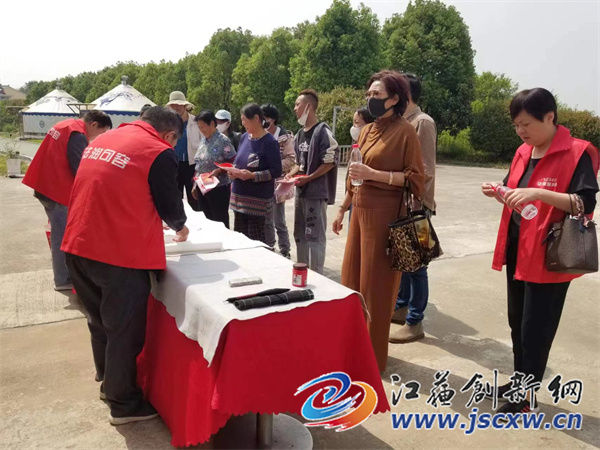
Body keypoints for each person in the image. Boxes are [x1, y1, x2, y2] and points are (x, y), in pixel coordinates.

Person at [61, 106, 189, 426]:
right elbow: (169, 203)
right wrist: (181, 226)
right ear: (169, 135)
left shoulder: (105, 139)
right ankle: (123, 403)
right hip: (117, 254)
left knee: (99, 320)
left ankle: (108, 381)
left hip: (78, 244)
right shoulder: (157, 150)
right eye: (174, 142)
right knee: (124, 330)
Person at [481, 88, 598, 416]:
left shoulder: (578, 152)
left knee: (537, 327)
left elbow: (584, 203)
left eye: (527, 124)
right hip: (518, 248)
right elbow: (513, 189)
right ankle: (519, 382)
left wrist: (539, 194)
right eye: (516, 125)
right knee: (517, 321)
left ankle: (525, 397)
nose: (521, 131)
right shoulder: (523, 151)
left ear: (550, 117)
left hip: (551, 253)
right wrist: (498, 191)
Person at [332, 70, 425, 372]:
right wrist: (342, 209)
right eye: (369, 94)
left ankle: (371, 360)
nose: (371, 98)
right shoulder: (367, 130)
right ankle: (352, 350)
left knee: (377, 289)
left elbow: (416, 179)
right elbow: (354, 173)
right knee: (351, 283)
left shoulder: (406, 132)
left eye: (377, 94)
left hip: (386, 216)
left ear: (394, 98)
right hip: (359, 213)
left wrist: (376, 175)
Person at [22, 111, 112, 290]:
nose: (98, 137)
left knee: (59, 232)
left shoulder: (66, 125)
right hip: (57, 191)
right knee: (62, 236)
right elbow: (80, 168)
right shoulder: (77, 135)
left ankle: (64, 274)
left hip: (45, 185)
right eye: (101, 132)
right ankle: (62, 280)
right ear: (93, 124)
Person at [390, 73, 438, 343]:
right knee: (404, 261)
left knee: (417, 265)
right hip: (402, 203)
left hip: (416, 205)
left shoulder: (423, 123)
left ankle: (415, 321)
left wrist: (415, 203)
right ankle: (401, 307)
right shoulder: (403, 122)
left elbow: (425, 170)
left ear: (405, 95)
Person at [287, 89, 339, 274]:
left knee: (314, 236)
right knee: (299, 233)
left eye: (297, 104)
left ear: (308, 106)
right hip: (301, 193)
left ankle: (317, 275)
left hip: (315, 194)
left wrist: (308, 178)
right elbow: (298, 163)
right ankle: (302, 272)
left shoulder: (322, 131)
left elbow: (330, 161)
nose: (295, 108)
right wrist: (289, 176)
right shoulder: (299, 134)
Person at [229, 103, 282, 243]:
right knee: (240, 241)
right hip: (239, 201)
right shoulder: (244, 137)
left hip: (257, 205)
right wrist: (233, 171)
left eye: (244, 119)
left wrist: (252, 176)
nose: (242, 123)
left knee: (256, 242)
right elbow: (239, 160)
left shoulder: (269, 142)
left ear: (256, 118)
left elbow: (276, 171)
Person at [262, 103, 295, 258]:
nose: (262, 121)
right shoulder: (260, 135)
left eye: (265, 118)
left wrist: (273, 167)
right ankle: (269, 248)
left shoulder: (284, 137)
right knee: (266, 221)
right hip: (263, 183)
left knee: (279, 220)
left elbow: (291, 159)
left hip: (278, 184)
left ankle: (285, 250)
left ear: (272, 119)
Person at [193, 110, 236, 228]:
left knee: (219, 220)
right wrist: (195, 183)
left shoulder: (223, 140)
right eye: (199, 127)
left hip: (218, 187)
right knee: (206, 220)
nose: (202, 130)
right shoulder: (203, 140)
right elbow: (199, 163)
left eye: (203, 127)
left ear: (212, 123)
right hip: (203, 186)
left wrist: (219, 171)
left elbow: (233, 161)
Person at [166, 91, 203, 211]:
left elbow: (203, 143)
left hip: (192, 165)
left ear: (185, 106)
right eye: (173, 105)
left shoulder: (196, 122)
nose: (176, 107)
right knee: (175, 199)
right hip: (173, 165)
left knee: (194, 198)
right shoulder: (167, 123)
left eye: (179, 104)